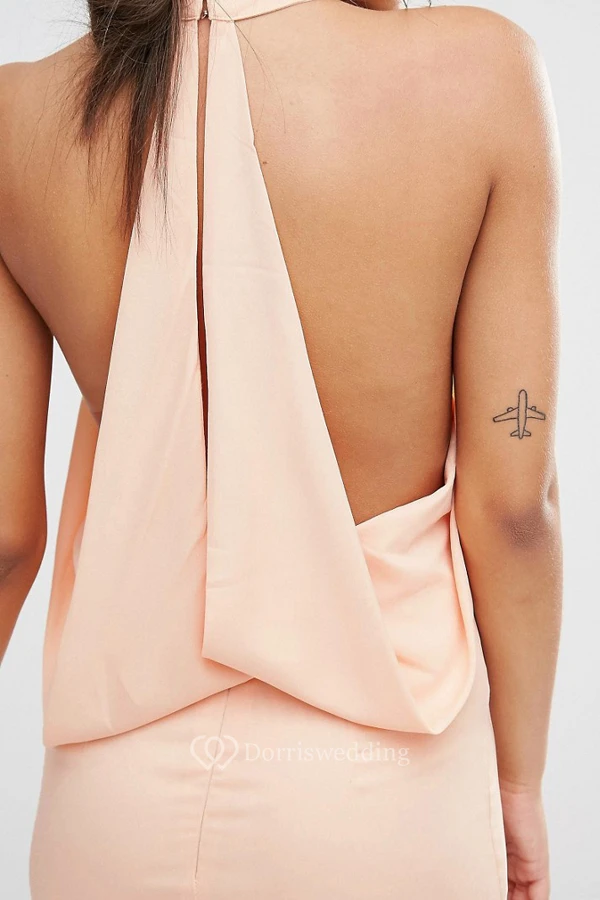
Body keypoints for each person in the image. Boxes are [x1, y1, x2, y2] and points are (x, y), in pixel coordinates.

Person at [0, 0, 562, 897]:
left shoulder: (18, 117)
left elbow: (4, 540)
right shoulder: (481, 76)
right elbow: (515, 507)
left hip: (107, 811)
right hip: (383, 798)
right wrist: (520, 784)